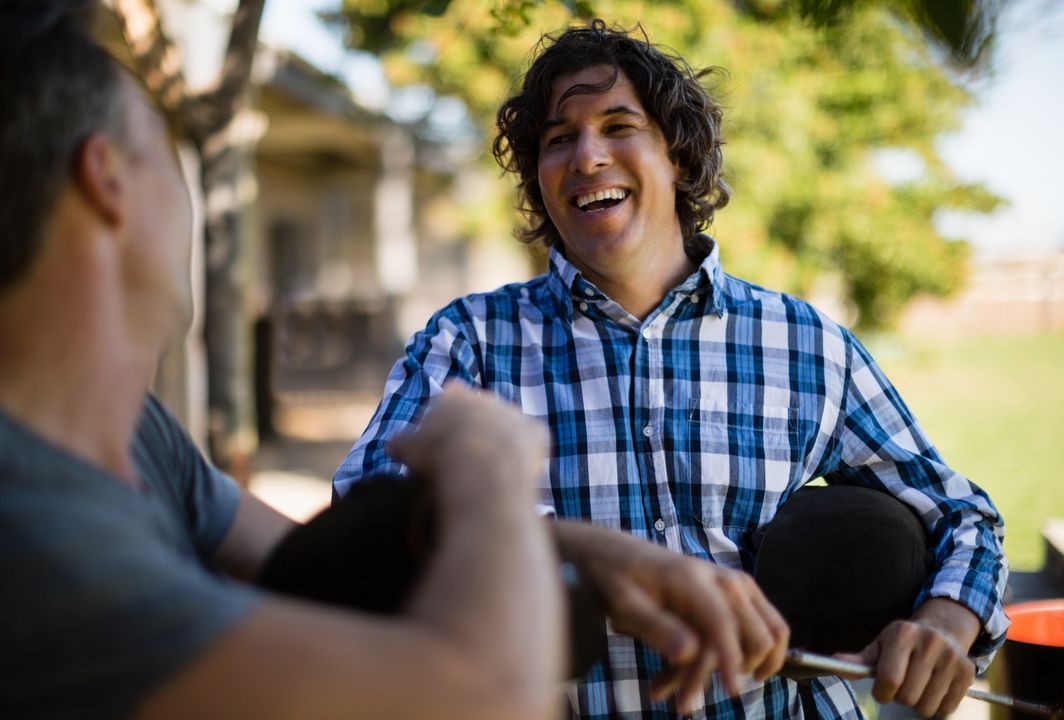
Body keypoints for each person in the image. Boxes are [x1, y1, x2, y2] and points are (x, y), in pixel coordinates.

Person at [0, 4, 786, 717]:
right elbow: (476, 698)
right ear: (108, 181)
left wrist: (596, 551)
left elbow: (326, 568)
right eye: (164, 144)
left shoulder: (139, 439)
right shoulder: (25, 539)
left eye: (620, 128)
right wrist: (490, 467)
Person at [335, 19, 1010, 720]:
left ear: (679, 158)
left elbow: (962, 517)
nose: (587, 155)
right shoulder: (469, 343)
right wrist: (559, 549)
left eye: (618, 125)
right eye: (558, 139)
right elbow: (363, 520)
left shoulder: (806, 344)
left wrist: (946, 624)